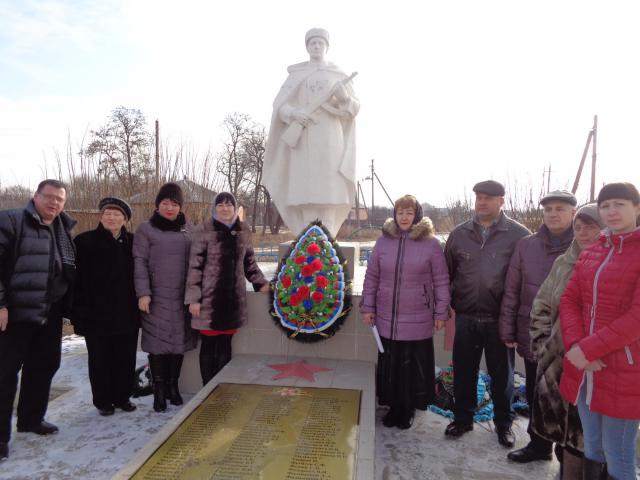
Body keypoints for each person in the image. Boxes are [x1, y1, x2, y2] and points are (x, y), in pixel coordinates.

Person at [560, 182, 640, 480]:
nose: (612, 211)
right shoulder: (593, 252)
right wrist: (577, 347)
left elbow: (637, 317)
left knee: (618, 453)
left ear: (637, 208)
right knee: (592, 445)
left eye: (620, 203)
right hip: (585, 367)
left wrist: (587, 350)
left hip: (623, 369)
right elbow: (570, 300)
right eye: (605, 205)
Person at [443, 180, 530, 446]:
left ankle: (504, 424)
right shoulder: (459, 234)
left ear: (501, 201)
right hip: (467, 316)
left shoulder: (519, 235)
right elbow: (448, 272)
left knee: (502, 376)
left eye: (488, 198)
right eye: (479, 197)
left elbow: (525, 278)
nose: (482, 202)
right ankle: (463, 418)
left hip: (500, 319)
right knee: (464, 371)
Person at [0, 179, 76, 461]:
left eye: (60, 199)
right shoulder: (12, 221)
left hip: (50, 309)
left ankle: (31, 419)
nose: (54, 203)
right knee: (5, 374)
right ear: (35, 196)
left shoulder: (63, 227)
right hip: (16, 312)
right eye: (49, 197)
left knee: (44, 365)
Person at [499, 190, 577, 463]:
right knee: (535, 392)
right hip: (532, 332)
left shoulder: (583, 246)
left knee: (567, 400)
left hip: (570, 340)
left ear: (573, 213)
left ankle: (565, 455)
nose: (554, 214)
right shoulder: (526, 245)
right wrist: (507, 329)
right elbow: (512, 291)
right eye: (549, 209)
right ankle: (539, 446)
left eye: (560, 209)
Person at [360, 195, 450, 429]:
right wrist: (368, 306)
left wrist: (441, 313)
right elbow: (372, 277)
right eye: (400, 212)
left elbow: (441, 280)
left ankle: (408, 408)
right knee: (391, 364)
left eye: (409, 212)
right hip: (386, 316)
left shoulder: (430, 244)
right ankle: (393, 407)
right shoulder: (383, 242)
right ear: (395, 214)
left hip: (417, 316)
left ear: (417, 215)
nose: (404, 217)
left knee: (411, 366)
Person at [529, 204, 603, 479]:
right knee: (561, 428)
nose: (583, 233)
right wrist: (541, 344)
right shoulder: (563, 262)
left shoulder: (612, 263)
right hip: (557, 363)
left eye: (591, 226)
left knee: (586, 435)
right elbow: (542, 304)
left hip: (595, 363)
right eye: (579, 227)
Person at [262, 27, 359, 237]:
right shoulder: (297, 74)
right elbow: (279, 106)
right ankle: (306, 240)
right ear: (307, 47)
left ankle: (327, 240)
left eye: (320, 43)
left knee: (330, 191)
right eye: (312, 43)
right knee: (305, 192)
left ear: (326, 46)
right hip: (303, 139)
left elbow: (354, 109)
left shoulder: (338, 74)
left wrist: (343, 98)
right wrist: (294, 114)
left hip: (330, 138)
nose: (316, 46)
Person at [185, 192, 269, 386]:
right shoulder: (204, 230)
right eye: (220, 205)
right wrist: (194, 299)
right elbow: (195, 267)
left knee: (225, 344)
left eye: (229, 205)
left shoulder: (243, 230)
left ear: (235, 208)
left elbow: (249, 263)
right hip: (209, 300)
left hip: (232, 299)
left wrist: (260, 283)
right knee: (208, 344)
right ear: (214, 208)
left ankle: (221, 386)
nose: (225, 208)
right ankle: (207, 386)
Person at [71, 197, 139, 416]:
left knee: (125, 357)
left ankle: (123, 397)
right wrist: (78, 312)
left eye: (117, 214)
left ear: (125, 219)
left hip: (126, 312)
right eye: (107, 214)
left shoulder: (133, 242)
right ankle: (103, 401)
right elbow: (77, 281)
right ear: (101, 216)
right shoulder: (84, 241)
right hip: (96, 314)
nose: (112, 218)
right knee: (100, 359)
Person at [133, 182, 197, 412]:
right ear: (158, 205)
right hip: (156, 297)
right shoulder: (146, 229)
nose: (170, 208)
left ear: (180, 207)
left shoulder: (189, 230)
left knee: (178, 344)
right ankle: (158, 392)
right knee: (158, 345)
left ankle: (173, 387)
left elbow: (198, 262)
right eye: (165, 203)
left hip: (182, 297)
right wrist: (143, 293)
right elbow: (139, 262)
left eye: (174, 204)